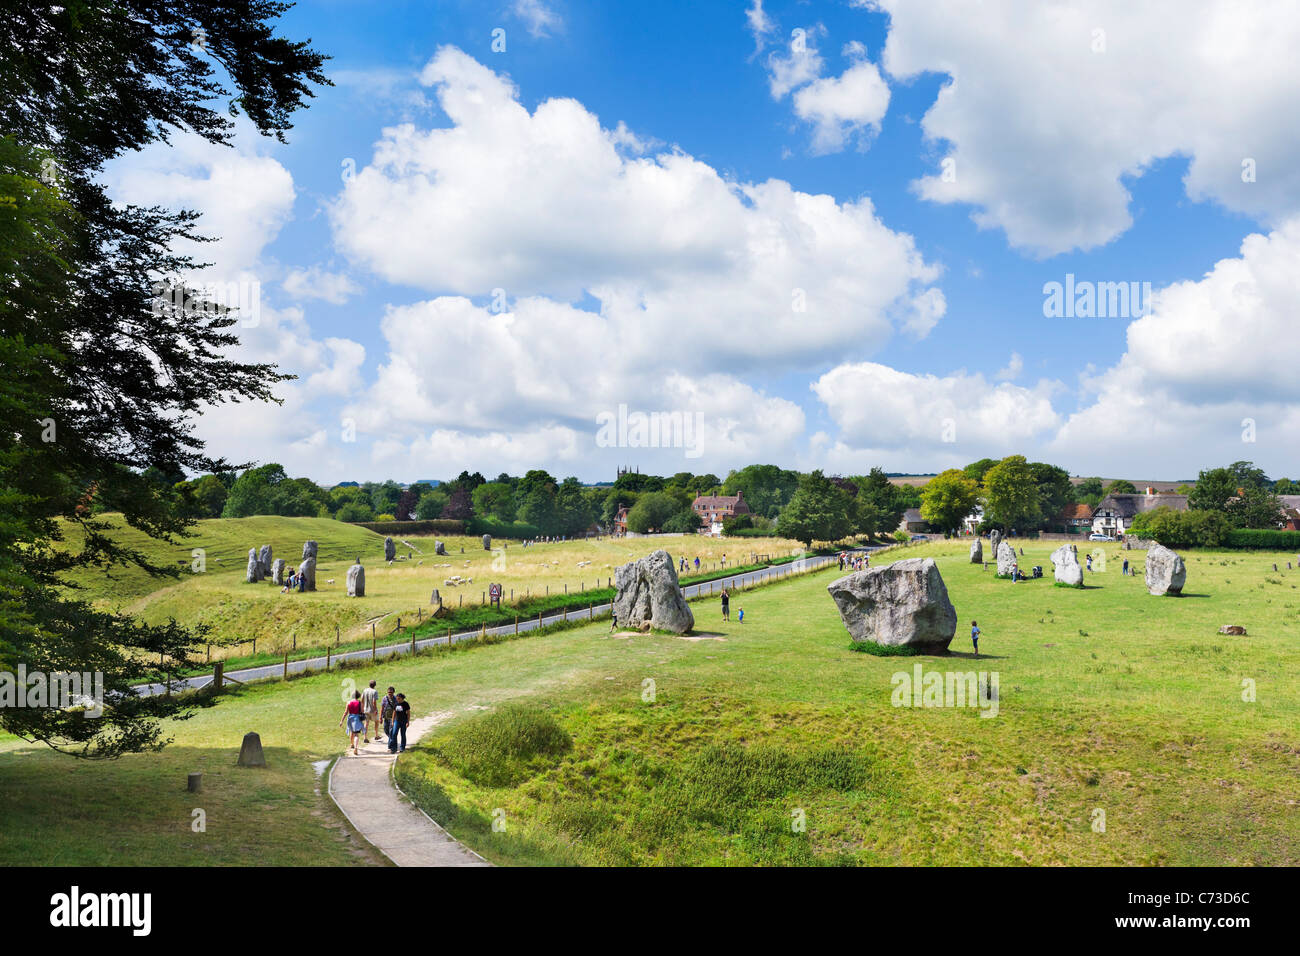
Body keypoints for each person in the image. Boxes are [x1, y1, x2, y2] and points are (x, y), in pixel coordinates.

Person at [340, 690, 365, 756]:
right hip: (357, 719)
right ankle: (356, 747)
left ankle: (352, 744)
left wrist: (341, 721)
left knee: (352, 732)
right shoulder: (360, 703)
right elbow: (362, 711)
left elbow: (345, 712)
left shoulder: (348, 702)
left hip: (350, 719)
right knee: (356, 734)